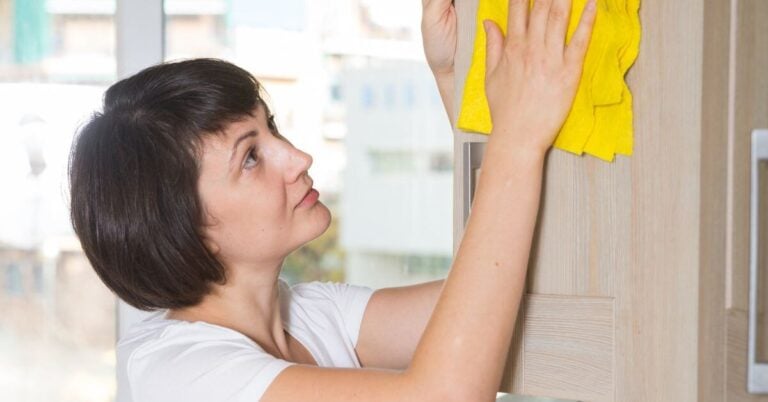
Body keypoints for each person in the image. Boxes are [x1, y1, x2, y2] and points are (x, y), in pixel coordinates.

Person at [68, 0, 596, 400]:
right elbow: (441, 395)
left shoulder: (312, 314)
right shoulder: (181, 372)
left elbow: (501, 288)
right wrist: (516, 140)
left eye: (270, 128)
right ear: (184, 226)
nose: (297, 157)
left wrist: (458, 83)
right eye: (251, 157)